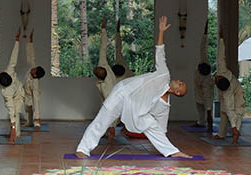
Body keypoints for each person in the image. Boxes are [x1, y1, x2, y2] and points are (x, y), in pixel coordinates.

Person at [75, 16, 192, 159]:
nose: (179, 81)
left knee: (151, 124)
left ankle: (172, 151)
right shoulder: (164, 74)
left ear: (177, 93)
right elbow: (160, 52)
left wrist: (161, 142)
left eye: (181, 85)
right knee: (102, 119)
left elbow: (161, 130)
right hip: (123, 91)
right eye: (180, 81)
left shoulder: (164, 106)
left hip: (135, 110)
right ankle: (83, 149)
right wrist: (161, 31)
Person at [212, 32, 245, 145]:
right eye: (218, 78)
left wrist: (234, 127)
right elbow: (221, 55)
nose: (217, 77)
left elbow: (231, 110)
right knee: (223, 112)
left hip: (238, 94)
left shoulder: (227, 93)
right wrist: (221, 39)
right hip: (231, 92)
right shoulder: (221, 70)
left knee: (237, 112)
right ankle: (221, 134)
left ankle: (236, 134)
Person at [93, 17, 119, 143]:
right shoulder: (103, 65)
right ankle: (105, 131)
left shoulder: (107, 88)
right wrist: (103, 29)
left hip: (113, 99)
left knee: (108, 114)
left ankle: (111, 134)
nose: (95, 69)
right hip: (106, 98)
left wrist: (112, 127)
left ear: (100, 77)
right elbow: (102, 48)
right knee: (103, 113)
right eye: (97, 69)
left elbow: (112, 107)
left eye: (96, 72)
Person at [0, 27, 24, 144]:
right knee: (13, 112)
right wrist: (12, 125)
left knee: (17, 112)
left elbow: (14, 56)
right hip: (12, 96)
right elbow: (10, 110)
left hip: (19, 93)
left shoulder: (9, 70)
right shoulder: (6, 92)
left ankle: (16, 133)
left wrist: (17, 40)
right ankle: (15, 132)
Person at [193, 19, 214, 132]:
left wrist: (210, 115)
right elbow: (203, 47)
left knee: (206, 107)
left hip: (204, 92)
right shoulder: (204, 60)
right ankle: (200, 122)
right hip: (198, 90)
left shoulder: (207, 81)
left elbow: (208, 99)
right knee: (199, 107)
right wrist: (205, 33)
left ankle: (208, 123)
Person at [22, 29, 45, 130]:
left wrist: (38, 120)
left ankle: (36, 122)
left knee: (32, 106)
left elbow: (36, 101)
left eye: (34, 70)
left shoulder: (35, 83)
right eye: (34, 68)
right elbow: (31, 57)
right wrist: (30, 42)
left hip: (32, 95)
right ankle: (29, 122)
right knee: (27, 109)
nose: (33, 69)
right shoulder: (33, 68)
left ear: (35, 76)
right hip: (26, 92)